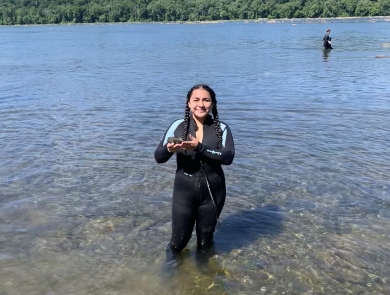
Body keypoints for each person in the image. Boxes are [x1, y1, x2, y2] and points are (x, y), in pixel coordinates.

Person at [154, 84, 235, 255]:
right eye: (196, 100)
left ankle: (204, 277)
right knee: (177, 243)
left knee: (205, 242)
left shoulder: (222, 129)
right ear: (189, 103)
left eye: (206, 100)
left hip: (213, 193)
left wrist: (200, 147)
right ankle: (171, 276)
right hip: (184, 193)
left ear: (212, 104)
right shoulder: (177, 125)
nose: (201, 104)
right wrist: (169, 149)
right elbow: (159, 157)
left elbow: (228, 157)